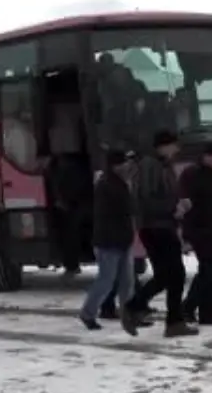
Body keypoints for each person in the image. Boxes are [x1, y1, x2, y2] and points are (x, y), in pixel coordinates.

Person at [120, 130, 197, 338]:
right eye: (174, 145)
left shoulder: (162, 166)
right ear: (163, 146)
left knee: (167, 275)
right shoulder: (150, 166)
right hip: (156, 226)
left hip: (161, 225)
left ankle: (143, 309)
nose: (177, 150)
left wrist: (178, 206)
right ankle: (167, 319)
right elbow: (146, 199)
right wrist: (174, 207)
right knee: (175, 274)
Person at [78, 151, 137, 331]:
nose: (128, 166)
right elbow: (125, 209)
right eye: (124, 163)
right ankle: (87, 313)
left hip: (121, 239)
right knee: (107, 280)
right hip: (109, 241)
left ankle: (129, 315)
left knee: (126, 282)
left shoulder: (117, 182)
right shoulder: (108, 185)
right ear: (115, 165)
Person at [178, 141, 212, 325]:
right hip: (200, 231)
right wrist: (186, 235)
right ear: (208, 156)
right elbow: (185, 205)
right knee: (209, 273)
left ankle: (205, 312)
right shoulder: (192, 174)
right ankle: (188, 308)